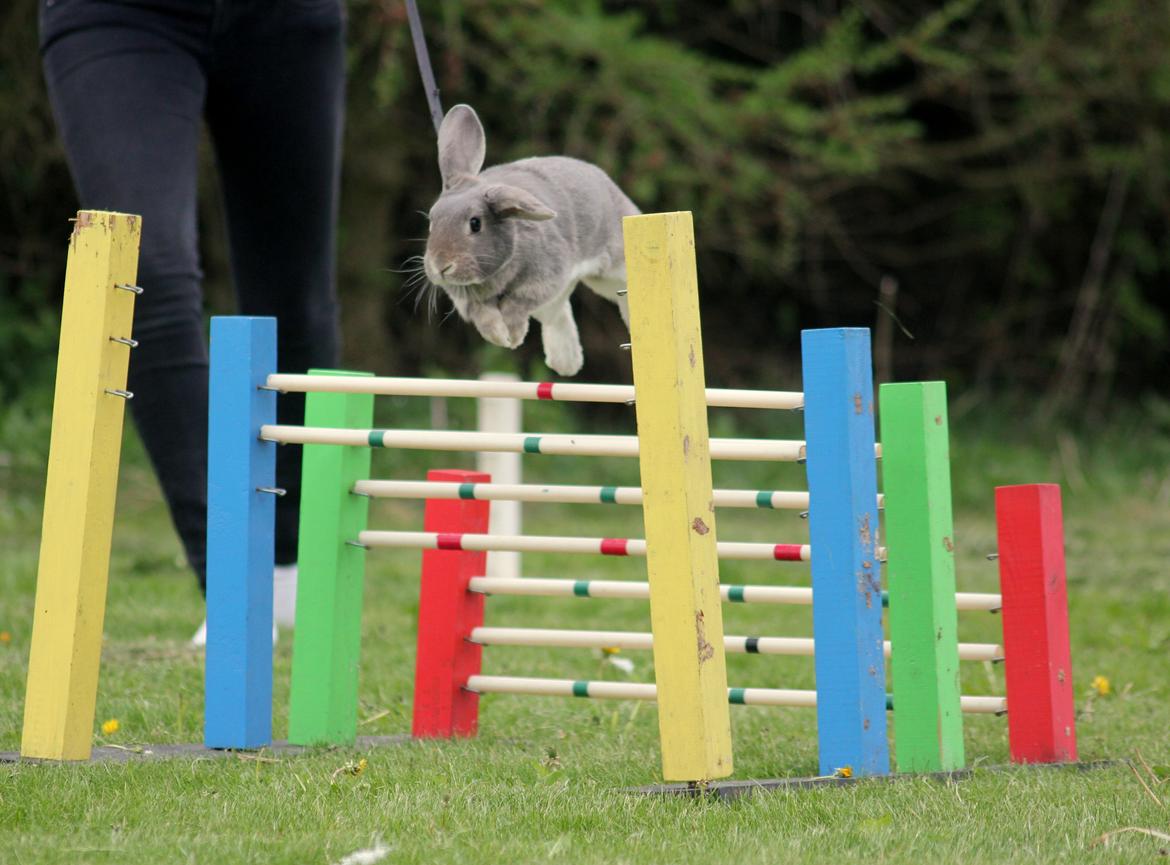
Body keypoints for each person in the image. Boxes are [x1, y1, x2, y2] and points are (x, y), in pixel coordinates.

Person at [39, 0, 347, 643]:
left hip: (284, 21)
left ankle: (287, 566)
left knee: (293, 294)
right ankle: (233, 574)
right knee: (142, 266)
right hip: (115, 17)